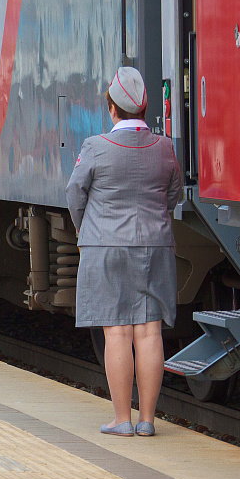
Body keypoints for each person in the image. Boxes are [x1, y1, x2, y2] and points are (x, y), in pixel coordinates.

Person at [66, 67, 182, 437]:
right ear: (144, 108)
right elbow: (174, 193)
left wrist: (88, 229)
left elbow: (74, 194)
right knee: (149, 332)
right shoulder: (164, 147)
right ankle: (148, 420)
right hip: (154, 246)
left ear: (111, 108)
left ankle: (122, 419)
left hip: (107, 247)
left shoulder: (95, 147)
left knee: (116, 332)